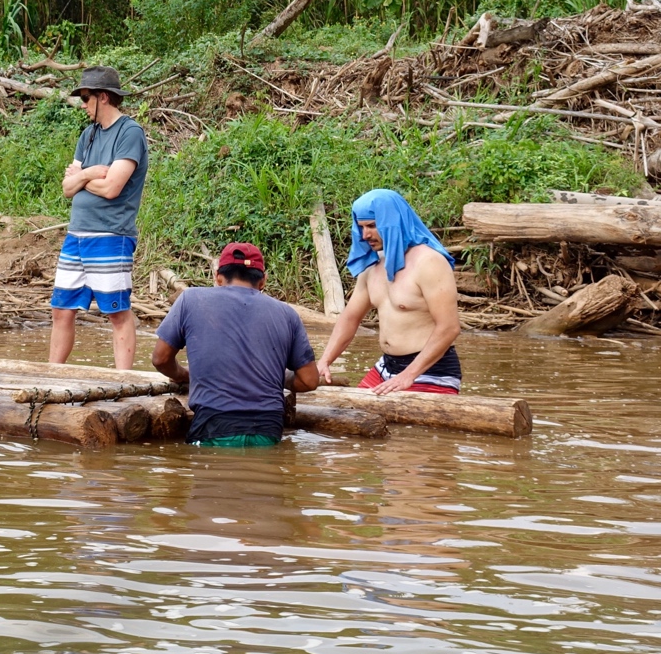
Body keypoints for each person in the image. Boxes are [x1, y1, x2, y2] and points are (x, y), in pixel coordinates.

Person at [152, 242, 320, 447]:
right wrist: (274, 376)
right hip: (268, 430)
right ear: (263, 281)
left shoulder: (191, 299)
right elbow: (309, 380)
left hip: (213, 427)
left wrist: (183, 374)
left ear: (218, 277)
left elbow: (160, 359)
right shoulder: (287, 314)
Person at [315, 188, 463, 395]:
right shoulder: (374, 267)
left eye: (372, 226)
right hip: (386, 367)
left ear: (392, 222)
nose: (365, 235)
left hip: (431, 371)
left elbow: (449, 328)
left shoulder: (429, 262)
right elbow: (350, 318)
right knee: (350, 417)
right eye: (361, 227)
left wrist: (408, 375)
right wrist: (325, 360)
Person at [50, 66, 148, 370]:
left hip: (110, 235)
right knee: (61, 310)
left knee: (117, 312)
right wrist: (90, 173)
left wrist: (82, 177)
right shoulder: (88, 134)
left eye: (85, 97)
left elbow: (112, 188)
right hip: (76, 235)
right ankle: (52, 375)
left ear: (103, 97)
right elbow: (67, 188)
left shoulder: (129, 133)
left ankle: (123, 380)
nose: (82, 103)